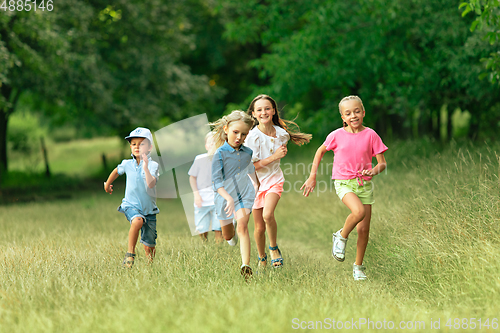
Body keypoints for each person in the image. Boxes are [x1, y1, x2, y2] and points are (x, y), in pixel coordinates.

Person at [301, 96, 387, 281]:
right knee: (358, 212)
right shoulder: (336, 135)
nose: (353, 115)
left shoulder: (371, 134)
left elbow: (382, 164)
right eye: (348, 113)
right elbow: (320, 151)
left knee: (364, 230)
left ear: (363, 113)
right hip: (343, 181)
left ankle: (358, 267)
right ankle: (341, 235)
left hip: (364, 183)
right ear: (343, 117)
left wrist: (373, 171)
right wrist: (312, 175)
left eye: (357, 111)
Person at [245, 94, 311, 268]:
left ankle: (273, 248)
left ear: (273, 111)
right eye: (259, 110)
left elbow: (279, 146)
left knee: (268, 215)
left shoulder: (282, 134)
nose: (263, 112)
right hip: (254, 184)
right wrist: (274, 156)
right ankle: (262, 259)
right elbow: (250, 167)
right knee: (259, 228)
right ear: (253, 113)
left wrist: (277, 155)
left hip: (274, 179)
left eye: (267, 108)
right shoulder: (252, 138)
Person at [210, 110, 259, 279]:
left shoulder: (248, 153)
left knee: (243, 225)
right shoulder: (220, 154)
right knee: (228, 234)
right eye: (235, 132)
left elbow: (250, 168)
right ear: (226, 129)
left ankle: (246, 266)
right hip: (223, 198)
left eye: (244, 134)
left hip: (244, 194)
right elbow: (216, 183)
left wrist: (257, 183)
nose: (239, 137)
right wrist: (228, 198)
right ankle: (231, 239)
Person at [104, 127, 160, 268]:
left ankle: (151, 267)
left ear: (149, 147)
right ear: (130, 146)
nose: (137, 147)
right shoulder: (127, 164)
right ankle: (130, 254)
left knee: (149, 246)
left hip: (149, 209)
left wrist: (145, 167)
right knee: (137, 221)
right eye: (134, 144)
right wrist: (108, 184)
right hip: (131, 205)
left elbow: (151, 184)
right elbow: (116, 171)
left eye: (141, 144)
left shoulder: (153, 165)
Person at [188, 132, 223, 242]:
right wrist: (196, 194)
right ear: (206, 146)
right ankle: (204, 243)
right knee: (202, 225)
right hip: (202, 198)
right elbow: (192, 177)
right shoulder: (199, 159)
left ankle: (218, 246)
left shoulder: (223, 160)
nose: (213, 144)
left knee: (219, 225)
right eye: (210, 142)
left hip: (218, 196)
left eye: (216, 142)